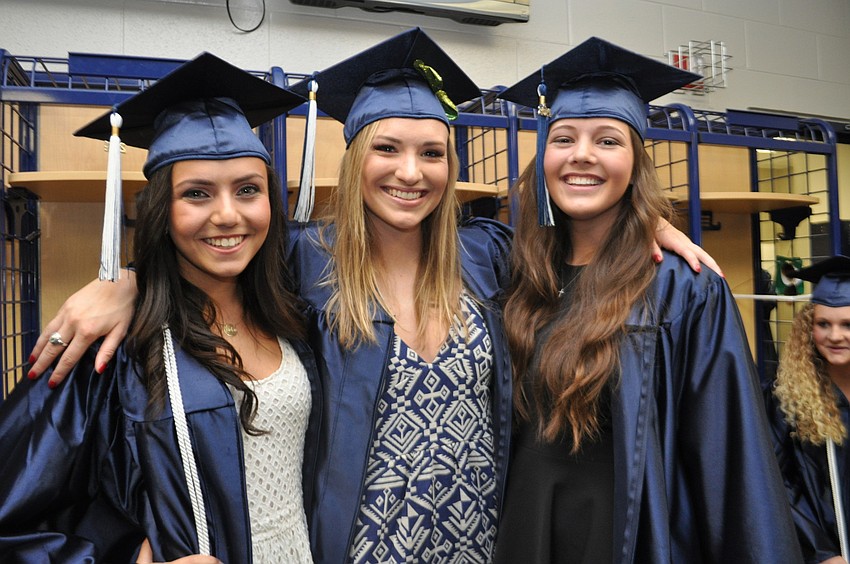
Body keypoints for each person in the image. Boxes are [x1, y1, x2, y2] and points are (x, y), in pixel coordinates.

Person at [25, 29, 716, 563]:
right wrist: (129, 283)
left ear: (451, 164)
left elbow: (573, 243)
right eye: (387, 149)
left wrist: (641, 217)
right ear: (356, 159)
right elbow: (217, 251)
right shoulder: (304, 260)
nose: (409, 173)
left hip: (482, 545)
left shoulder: (490, 257)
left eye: (431, 152)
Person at [494, 37, 802, 562]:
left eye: (608, 141)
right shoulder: (514, 270)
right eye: (564, 138)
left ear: (636, 162)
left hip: (628, 537)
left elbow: (729, 459)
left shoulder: (685, 287)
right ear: (544, 155)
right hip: (523, 531)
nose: (582, 155)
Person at [0, 53, 318, 563]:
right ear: (161, 211)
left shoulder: (294, 308)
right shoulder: (110, 350)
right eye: (196, 193)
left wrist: (127, 278)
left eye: (248, 190)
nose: (227, 215)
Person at [764, 255, 850, 564]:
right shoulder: (788, 402)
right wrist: (822, 553)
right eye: (823, 324)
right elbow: (777, 484)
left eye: (847, 324)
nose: (835, 336)